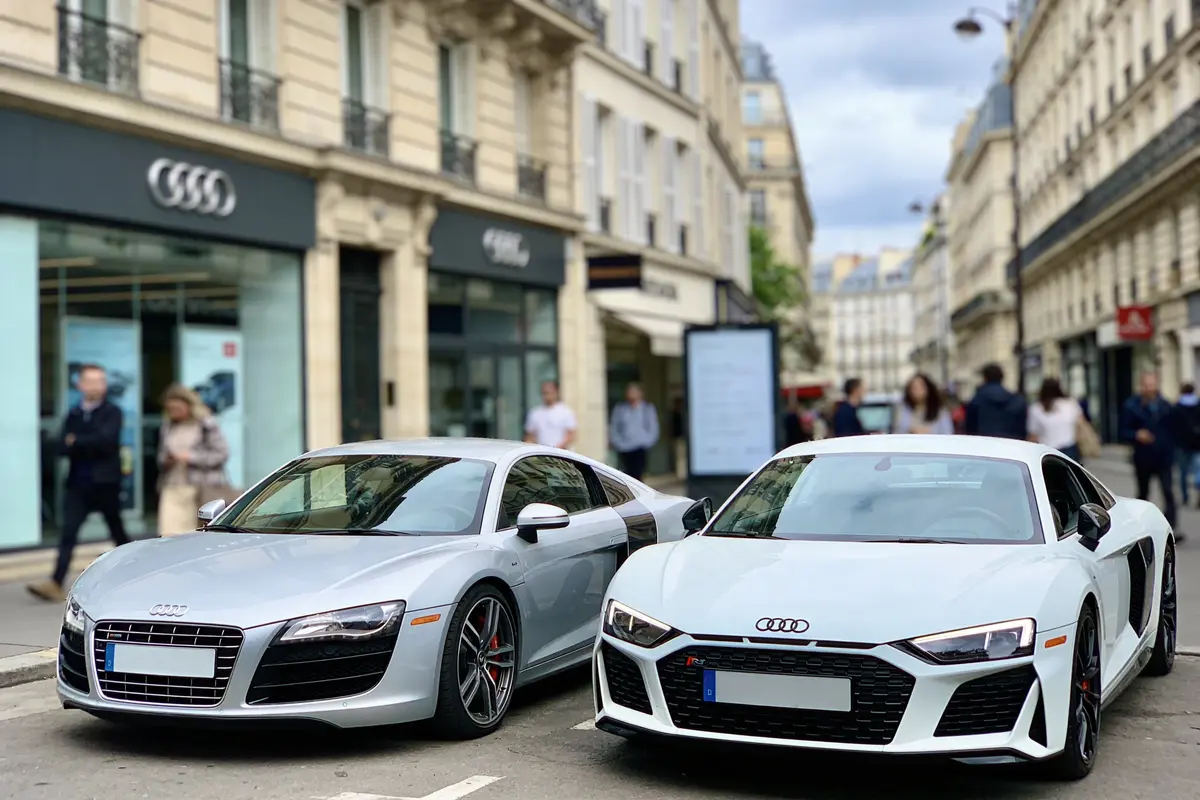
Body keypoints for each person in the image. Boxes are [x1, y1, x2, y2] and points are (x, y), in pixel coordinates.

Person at [28, 364, 131, 602]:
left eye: (100, 381)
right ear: (80, 385)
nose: (96, 386)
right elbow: (61, 447)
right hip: (78, 483)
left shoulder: (112, 411)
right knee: (68, 532)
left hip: (106, 483)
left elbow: (106, 441)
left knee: (117, 531)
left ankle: (135, 573)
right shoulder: (74, 413)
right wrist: (79, 443)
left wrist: (77, 441)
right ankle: (56, 581)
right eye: (90, 381)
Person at [156, 384, 231, 536]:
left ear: (188, 406)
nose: (174, 412)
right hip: (174, 487)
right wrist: (168, 460)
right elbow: (161, 455)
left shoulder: (205, 424)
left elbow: (221, 454)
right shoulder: (168, 426)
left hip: (202, 488)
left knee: (199, 535)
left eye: (177, 408)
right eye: (170, 409)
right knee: (169, 534)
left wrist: (191, 457)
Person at [1120, 372, 1181, 539]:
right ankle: (1142, 528)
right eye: (1146, 385)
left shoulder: (1166, 405)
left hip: (1163, 456)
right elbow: (1123, 431)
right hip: (1143, 457)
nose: (1149, 388)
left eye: (1152, 385)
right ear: (1142, 386)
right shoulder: (1132, 406)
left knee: (1168, 491)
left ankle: (1171, 528)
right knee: (1143, 493)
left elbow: (1174, 430)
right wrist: (1136, 434)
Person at [610, 382, 659, 480]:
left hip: (640, 448)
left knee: (638, 476)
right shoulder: (620, 409)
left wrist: (646, 442)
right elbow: (614, 427)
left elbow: (653, 429)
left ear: (640, 393)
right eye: (629, 392)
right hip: (624, 447)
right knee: (625, 476)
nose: (631, 394)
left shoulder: (647, 409)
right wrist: (617, 442)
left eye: (634, 392)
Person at [1027, 377, 1084, 461]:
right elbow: (1080, 423)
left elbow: (1033, 435)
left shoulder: (1036, 408)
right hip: (1070, 448)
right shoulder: (1070, 403)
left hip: (1047, 451)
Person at [965, 363, 1027, 439]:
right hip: (1010, 443)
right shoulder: (1017, 401)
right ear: (1002, 378)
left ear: (985, 378)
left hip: (984, 443)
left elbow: (970, 431)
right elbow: (1022, 431)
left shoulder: (977, 400)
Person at [523, 380, 577, 449]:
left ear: (556, 392)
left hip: (561, 453)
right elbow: (530, 435)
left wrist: (556, 449)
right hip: (541, 453)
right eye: (544, 393)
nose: (547, 396)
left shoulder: (566, 412)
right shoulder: (535, 413)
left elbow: (571, 435)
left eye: (549, 392)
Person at [1172, 383, 1200, 508]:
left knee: (1183, 472)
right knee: (1198, 470)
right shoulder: (1198, 405)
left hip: (1181, 445)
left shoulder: (1177, 407)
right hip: (1197, 444)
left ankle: (1185, 497)